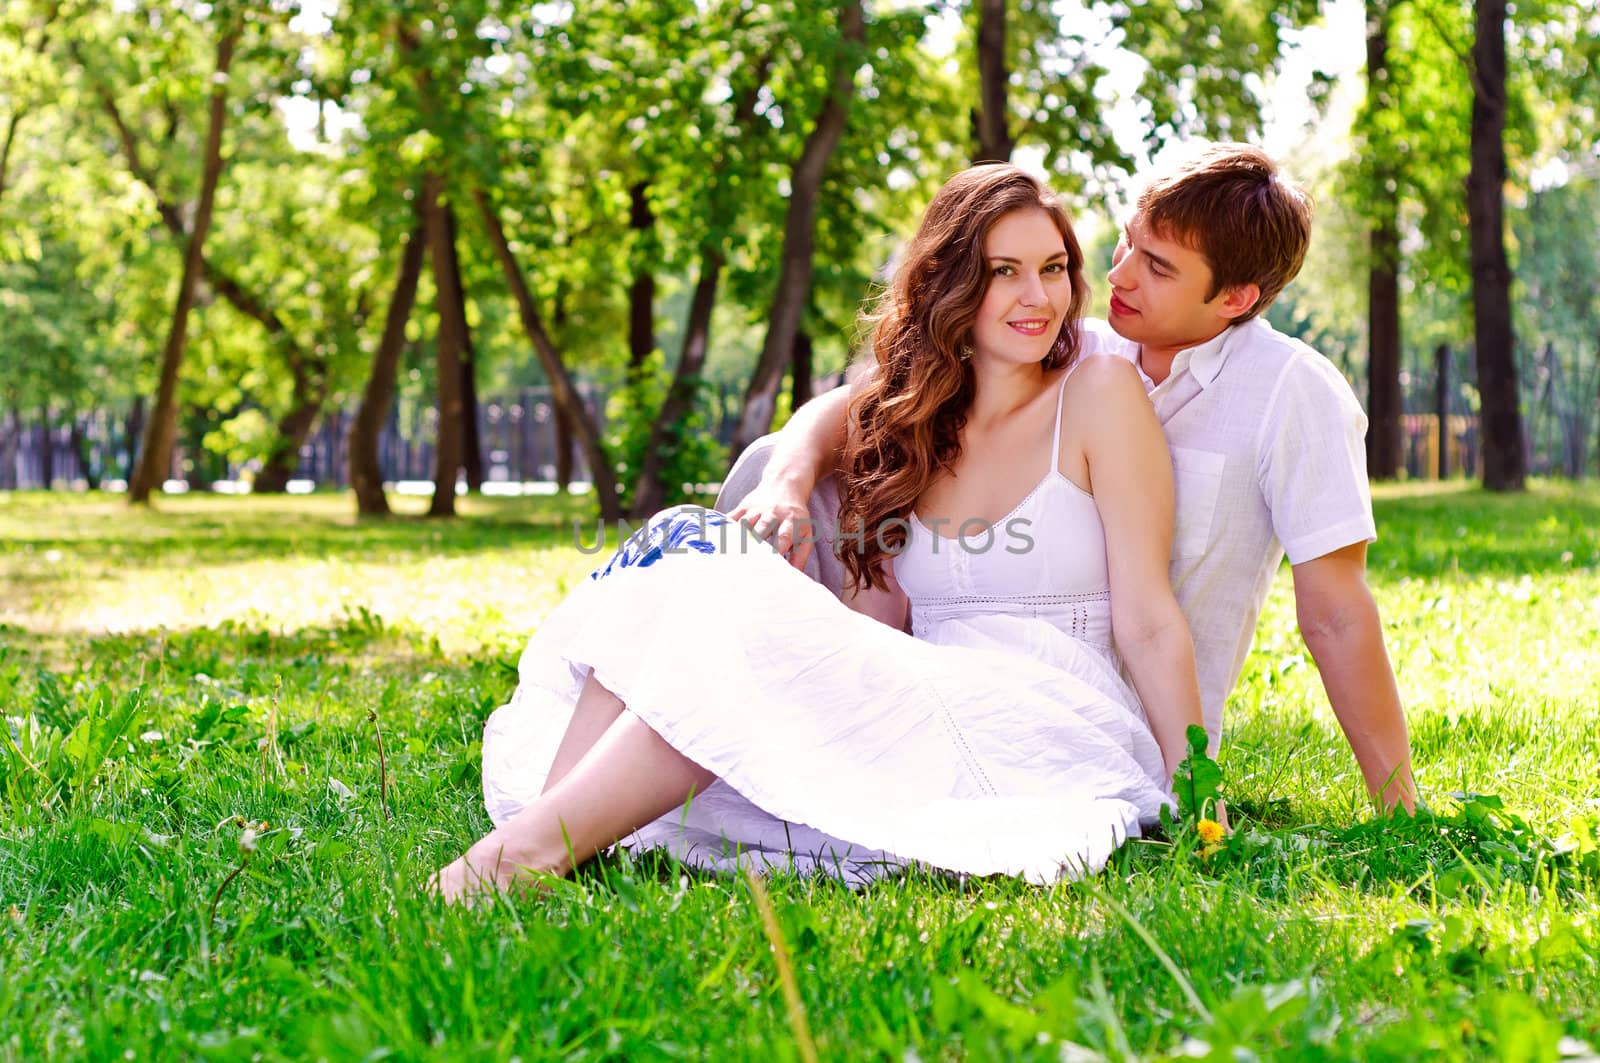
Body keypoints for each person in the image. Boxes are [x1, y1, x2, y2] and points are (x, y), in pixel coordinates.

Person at [433, 164, 1203, 901]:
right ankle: (555, 827)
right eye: (1004, 270)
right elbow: (832, 417)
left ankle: (528, 849)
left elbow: (1148, 619)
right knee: (685, 541)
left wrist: (1198, 790)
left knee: (756, 650)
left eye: (1054, 266)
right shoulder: (922, 414)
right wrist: (788, 479)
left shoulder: (1098, 391)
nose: (1038, 295)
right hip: (918, 684)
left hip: (1042, 714)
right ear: (951, 283)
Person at [728, 143, 1418, 813]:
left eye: (1156, 266)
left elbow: (1335, 614)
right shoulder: (1076, 346)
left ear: (1235, 298)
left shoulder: (1292, 394)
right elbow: (871, 402)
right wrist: (785, 480)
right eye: (1126, 243)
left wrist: (1400, 806)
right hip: (963, 665)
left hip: (1121, 716)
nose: (1117, 276)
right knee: (772, 469)